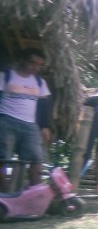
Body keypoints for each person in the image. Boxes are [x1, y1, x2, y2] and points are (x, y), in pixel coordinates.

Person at [0, 48, 51, 187]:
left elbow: (43, 105)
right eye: (32, 63)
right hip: (6, 121)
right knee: (2, 158)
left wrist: (45, 126)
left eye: (39, 65)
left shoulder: (40, 82)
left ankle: (36, 193)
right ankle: (3, 194)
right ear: (23, 60)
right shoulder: (6, 76)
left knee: (36, 159)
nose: (35, 67)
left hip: (30, 125)